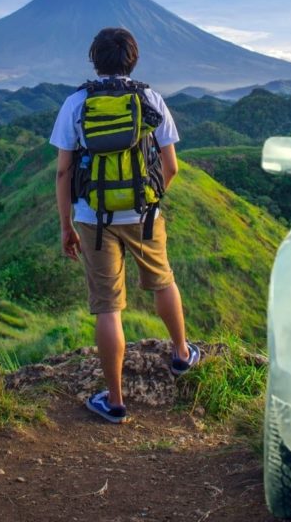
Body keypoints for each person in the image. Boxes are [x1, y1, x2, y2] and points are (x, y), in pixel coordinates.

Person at [51, 27, 199, 424]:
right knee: (163, 280)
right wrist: (149, 199)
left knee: (108, 306)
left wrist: (66, 225)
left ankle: (115, 403)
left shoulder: (76, 102)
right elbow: (171, 166)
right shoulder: (149, 98)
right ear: (133, 59)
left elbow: (64, 172)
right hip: (144, 214)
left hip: (92, 217)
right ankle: (182, 355)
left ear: (94, 60)